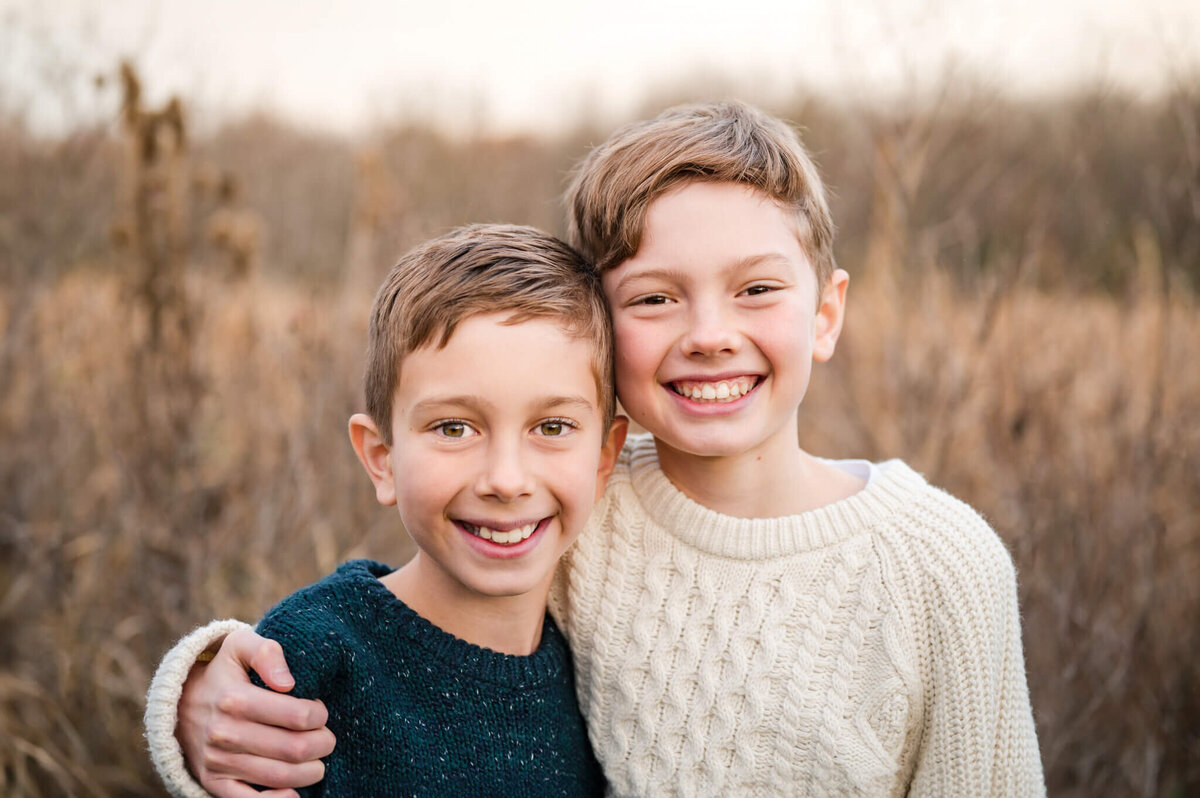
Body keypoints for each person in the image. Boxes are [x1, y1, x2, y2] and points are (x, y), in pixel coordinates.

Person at [146, 101, 1046, 797]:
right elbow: (409, 624)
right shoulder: (577, 509)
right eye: (655, 299)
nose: (708, 334)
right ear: (602, 336)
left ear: (826, 312)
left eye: (757, 289)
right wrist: (196, 690)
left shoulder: (940, 565)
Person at [144, 223, 627, 796]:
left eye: (552, 427)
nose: (506, 479)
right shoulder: (312, 656)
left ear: (604, 458)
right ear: (381, 459)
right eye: (454, 427)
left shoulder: (601, 668)